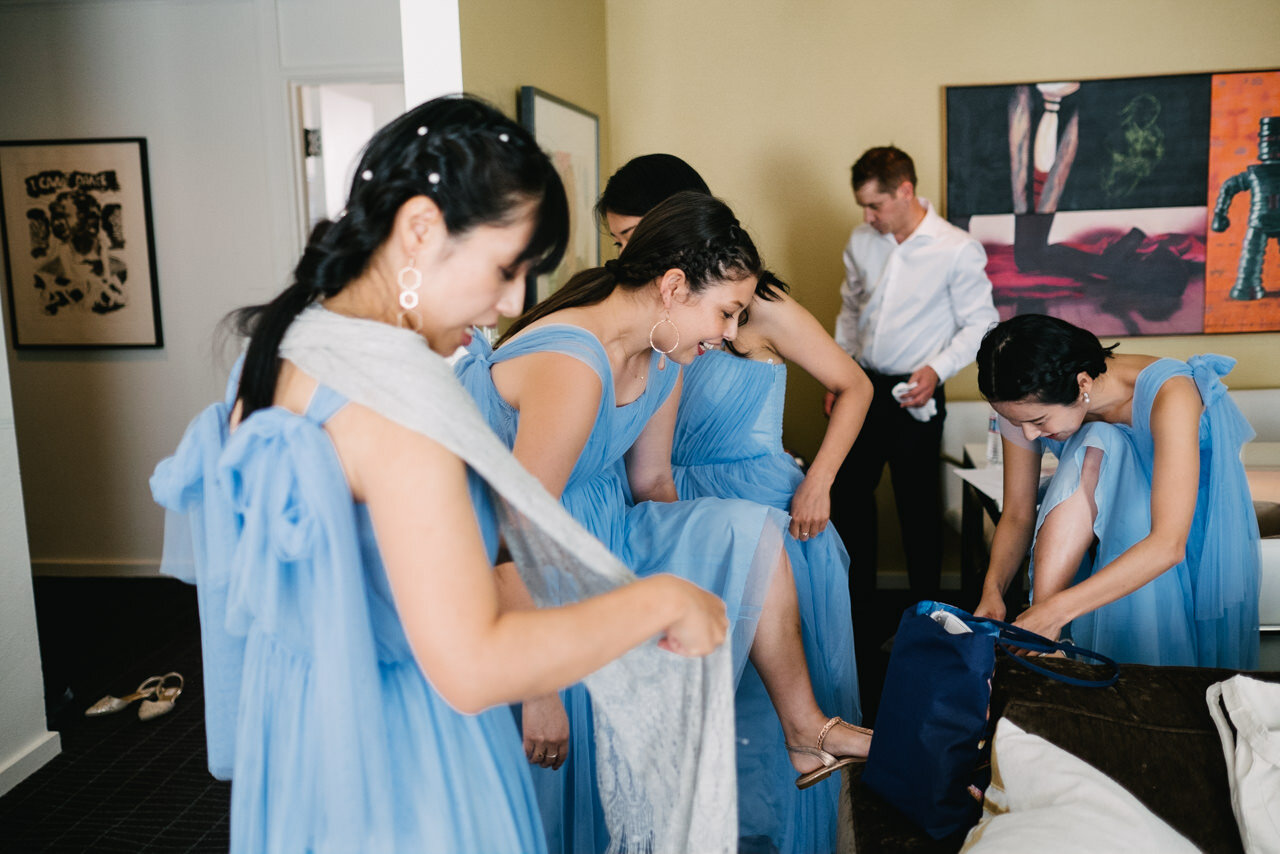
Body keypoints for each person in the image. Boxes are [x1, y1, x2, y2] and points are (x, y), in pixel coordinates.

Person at [150, 95, 737, 853]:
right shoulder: (400, 407)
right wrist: (660, 600)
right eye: (506, 268)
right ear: (422, 228)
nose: (514, 303)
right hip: (400, 746)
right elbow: (472, 663)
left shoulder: (290, 343)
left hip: (301, 726)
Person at [456, 191, 872, 854]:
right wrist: (537, 688)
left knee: (752, 530)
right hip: (521, 560)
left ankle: (804, 728)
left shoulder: (660, 353)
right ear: (674, 287)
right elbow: (517, 530)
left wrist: (712, 575)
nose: (732, 334)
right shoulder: (573, 362)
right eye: (727, 312)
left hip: (607, 527)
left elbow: (653, 484)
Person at [598, 154, 873, 854]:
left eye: (634, 234)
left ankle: (796, 829)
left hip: (766, 508)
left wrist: (819, 482)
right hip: (679, 505)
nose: (626, 252)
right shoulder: (646, 319)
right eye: (618, 240)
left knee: (777, 681)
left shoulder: (758, 306)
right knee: (707, 696)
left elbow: (855, 385)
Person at [973, 313, 1260, 669]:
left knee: (1100, 439)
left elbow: (1168, 544)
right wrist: (993, 590)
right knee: (1098, 439)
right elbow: (1017, 512)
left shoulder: (1170, 394)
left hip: (1183, 535)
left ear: (1082, 383)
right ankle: (1044, 626)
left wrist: (1055, 609)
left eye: (1038, 422)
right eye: (1017, 423)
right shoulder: (1023, 402)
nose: (1029, 435)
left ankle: (1050, 620)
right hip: (1089, 525)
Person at [828, 146, 998, 633]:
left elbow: (981, 323)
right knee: (848, 503)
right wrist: (840, 372)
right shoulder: (861, 241)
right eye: (863, 205)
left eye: (875, 205)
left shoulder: (956, 248)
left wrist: (937, 370)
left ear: (905, 192)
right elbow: (849, 310)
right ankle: (854, 619)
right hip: (859, 387)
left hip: (916, 394)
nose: (867, 215)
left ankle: (924, 627)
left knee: (917, 513)